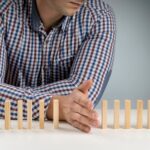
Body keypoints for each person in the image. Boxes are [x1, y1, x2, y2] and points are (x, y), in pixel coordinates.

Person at [0, 0, 116, 133]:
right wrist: (51, 106)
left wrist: (9, 96)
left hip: (63, 139)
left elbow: (82, 98)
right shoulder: (4, 10)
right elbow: (72, 101)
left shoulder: (98, 16)